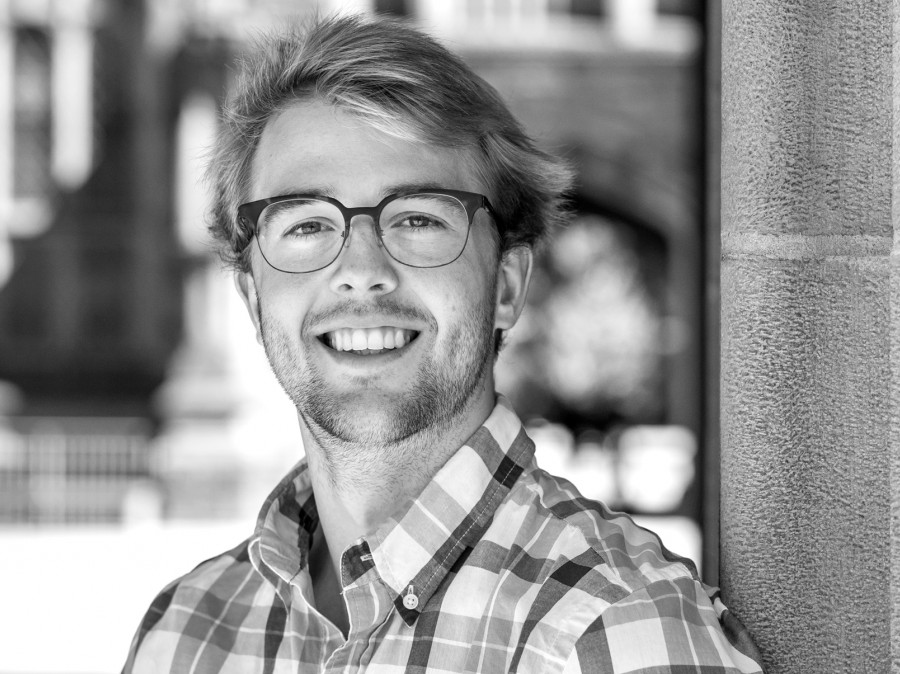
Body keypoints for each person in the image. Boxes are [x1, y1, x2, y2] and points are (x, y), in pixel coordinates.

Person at [123, 14, 763, 674]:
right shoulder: (185, 633)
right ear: (255, 301)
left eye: (418, 220)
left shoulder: (619, 631)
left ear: (507, 287)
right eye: (307, 224)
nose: (362, 270)